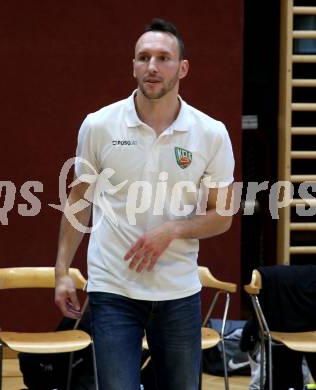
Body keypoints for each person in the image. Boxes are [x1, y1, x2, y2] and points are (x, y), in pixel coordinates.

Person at [55, 18, 235, 390]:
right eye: (144, 57)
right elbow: (79, 199)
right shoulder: (99, 125)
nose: (152, 67)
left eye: (163, 58)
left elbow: (222, 216)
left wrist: (173, 229)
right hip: (112, 288)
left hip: (178, 292)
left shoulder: (211, 133)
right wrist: (61, 271)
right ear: (133, 65)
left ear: (182, 68)